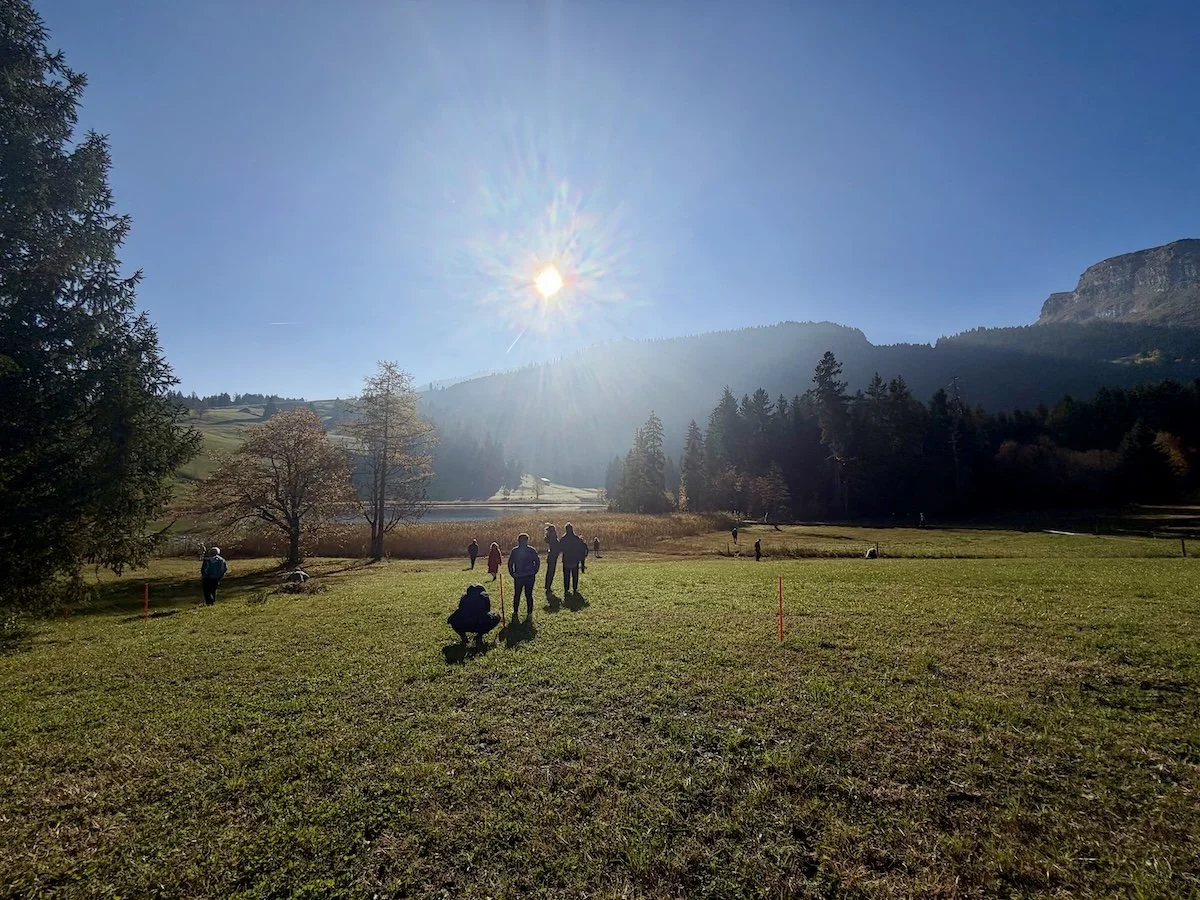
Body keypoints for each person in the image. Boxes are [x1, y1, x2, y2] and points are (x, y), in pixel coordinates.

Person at [507, 533, 540, 620]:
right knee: (529, 595)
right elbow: (537, 561)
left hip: (518, 576)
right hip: (529, 576)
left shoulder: (515, 551)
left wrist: (512, 573)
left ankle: (515, 612)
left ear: (518, 541)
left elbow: (510, 563)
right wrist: (535, 571)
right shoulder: (531, 550)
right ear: (527, 540)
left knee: (517, 595)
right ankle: (529, 613)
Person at [559, 523, 588, 595]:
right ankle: (575, 588)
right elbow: (580, 549)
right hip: (575, 559)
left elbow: (560, 549)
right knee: (575, 575)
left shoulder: (563, 539)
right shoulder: (576, 539)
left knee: (566, 576)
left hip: (566, 559)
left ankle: (566, 588)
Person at [543, 524, 560, 592]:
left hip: (551, 556)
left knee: (549, 571)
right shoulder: (553, 538)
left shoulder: (550, 537)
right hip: (553, 556)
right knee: (551, 572)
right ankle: (548, 586)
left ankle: (547, 585)